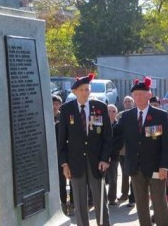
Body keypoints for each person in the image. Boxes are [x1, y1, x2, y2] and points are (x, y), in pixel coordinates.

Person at [113, 77, 168, 226]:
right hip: (135, 167)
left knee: (159, 202)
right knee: (141, 203)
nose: (138, 97)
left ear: (148, 95)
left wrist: (165, 166)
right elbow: (115, 134)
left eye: (141, 94)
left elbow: (167, 143)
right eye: (136, 94)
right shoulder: (126, 116)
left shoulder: (160, 115)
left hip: (156, 167)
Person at [58, 73, 112, 226]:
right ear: (75, 92)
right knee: (80, 202)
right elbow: (62, 141)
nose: (85, 92)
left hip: (97, 161)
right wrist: (64, 164)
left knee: (100, 199)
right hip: (75, 162)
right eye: (82, 90)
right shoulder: (66, 110)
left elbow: (108, 137)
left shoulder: (100, 107)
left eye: (87, 89)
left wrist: (105, 158)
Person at [53, 94, 74, 215]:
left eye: (57, 104)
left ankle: (72, 204)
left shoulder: (67, 118)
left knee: (72, 180)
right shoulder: (52, 121)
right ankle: (62, 203)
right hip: (59, 155)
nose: (55, 106)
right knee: (61, 182)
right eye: (53, 103)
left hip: (71, 154)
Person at [116, 95, 136, 207]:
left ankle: (133, 197)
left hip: (133, 150)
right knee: (124, 173)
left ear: (133, 103)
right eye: (126, 102)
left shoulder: (136, 114)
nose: (128, 103)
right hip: (122, 150)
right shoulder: (120, 115)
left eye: (129, 101)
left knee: (133, 173)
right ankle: (124, 194)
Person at [106, 104, 122, 205]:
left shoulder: (118, 125)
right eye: (109, 111)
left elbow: (119, 142)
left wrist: (111, 154)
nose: (111, 113)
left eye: (113, 111)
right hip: (101, 156)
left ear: (116, 113)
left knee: (113, 178)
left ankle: (111, 198)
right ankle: (98, 198)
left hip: (114, 156)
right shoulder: (101, 123)